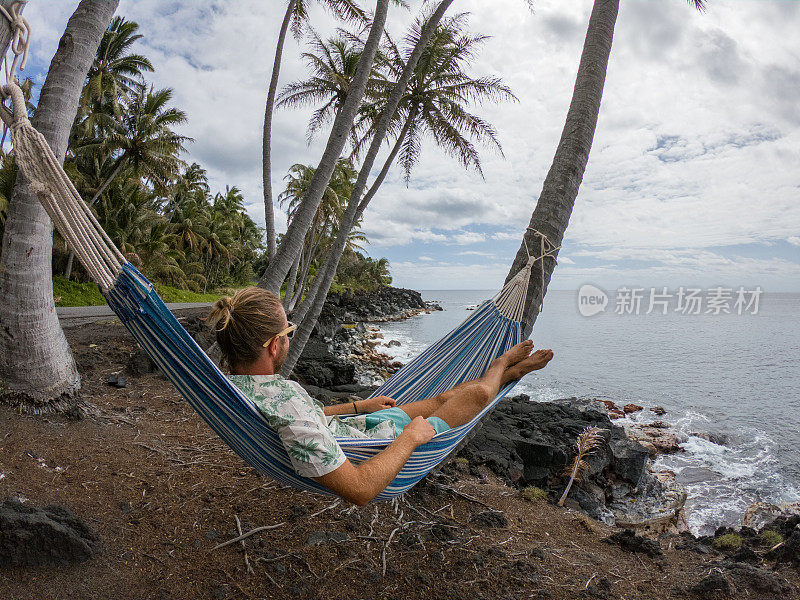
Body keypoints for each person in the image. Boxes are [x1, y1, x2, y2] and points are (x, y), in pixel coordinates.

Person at [208, 287, 554, 505]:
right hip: (377, 445)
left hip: (361, 424)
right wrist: (410, 439)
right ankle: (502, 366)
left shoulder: (234, 388)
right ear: (272, 345)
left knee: (442, 399)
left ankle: (504, 375)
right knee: (477, 395)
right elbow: (359, 489)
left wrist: (360, 405)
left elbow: (301, 418)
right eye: (288, 331)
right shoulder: (288, 410)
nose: (290, 338)